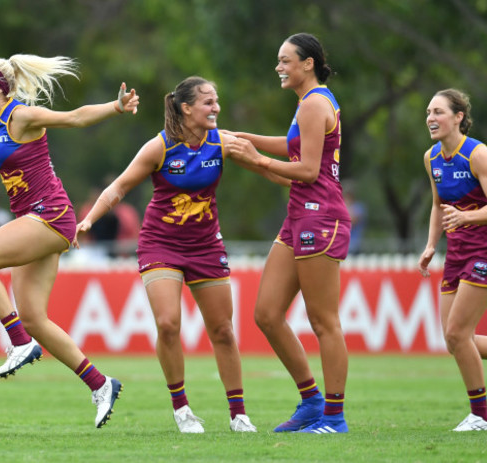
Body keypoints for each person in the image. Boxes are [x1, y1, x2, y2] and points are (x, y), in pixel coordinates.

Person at [0, 53, 139, 428]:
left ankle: (19, 342)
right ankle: (100, 383)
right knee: (34, 317)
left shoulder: (22, 116)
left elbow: (74, 118)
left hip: (50, 216)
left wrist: (116, 106)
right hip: (36, 221)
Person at [74, 76, 287, 433]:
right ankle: (182, 409)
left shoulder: (223, 143)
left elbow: (267, 167)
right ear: (186, 107)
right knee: (168, 324)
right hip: (161, 245)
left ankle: (238, 414)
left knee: (222, 329)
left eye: (216, 101)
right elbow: (120, 186)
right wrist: (90, 219)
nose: (216, 107)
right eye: (208, 102)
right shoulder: (159, 147)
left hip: (206, 246)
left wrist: (312, 184)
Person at [223, 32, 351, 434]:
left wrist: (256, 158)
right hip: (299, 217)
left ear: (307, 63)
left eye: (285, 60)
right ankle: (312, 401)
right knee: (266, 314)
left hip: (321, 218)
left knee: (324, 321)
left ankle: (334, 417)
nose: (279, 67)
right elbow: (291, 147)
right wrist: (242, 139)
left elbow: (308, 169)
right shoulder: (308, 103)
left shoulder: (314, 103)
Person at [418, 88, 487, 432]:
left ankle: (482, 417)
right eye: (428, 112)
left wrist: (465, 218)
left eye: (438, 112)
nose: (430, 119)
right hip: (456, 254)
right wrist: (430, 245)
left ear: (458, 117)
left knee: (457, 332)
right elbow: (438, 206)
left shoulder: (477, 154)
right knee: (454, 340)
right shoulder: (431, 157)